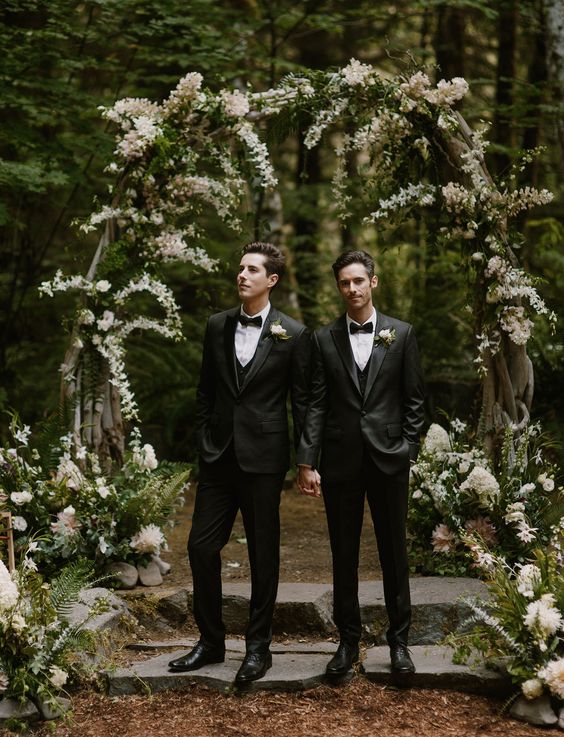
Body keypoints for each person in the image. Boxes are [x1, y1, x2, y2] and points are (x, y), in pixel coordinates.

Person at [169, 242, 310, 684]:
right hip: (217, 457)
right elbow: (205, 391)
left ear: (272, 280)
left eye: (252, 270)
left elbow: (302, 403)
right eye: (240, 267)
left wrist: (306, 462)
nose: (242, 275)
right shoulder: (216, 326)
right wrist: (205, 437)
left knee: (263, 555)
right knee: (200, 547)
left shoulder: (295, 333)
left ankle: (257, 648)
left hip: (264, 460)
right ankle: (210, 643)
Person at [297, 250, 424, 679]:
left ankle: (399, 643)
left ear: (374, 282)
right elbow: (315, 403)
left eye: (357, 281)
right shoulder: (322, 338)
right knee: (344, 554)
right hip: (342, 460)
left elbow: (415, 400)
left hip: (390, 460)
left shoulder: (402, 334)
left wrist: (407, 448)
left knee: (393, 554)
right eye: (344, 283)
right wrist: (307, 461)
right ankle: (347, 643)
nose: (351, 289)